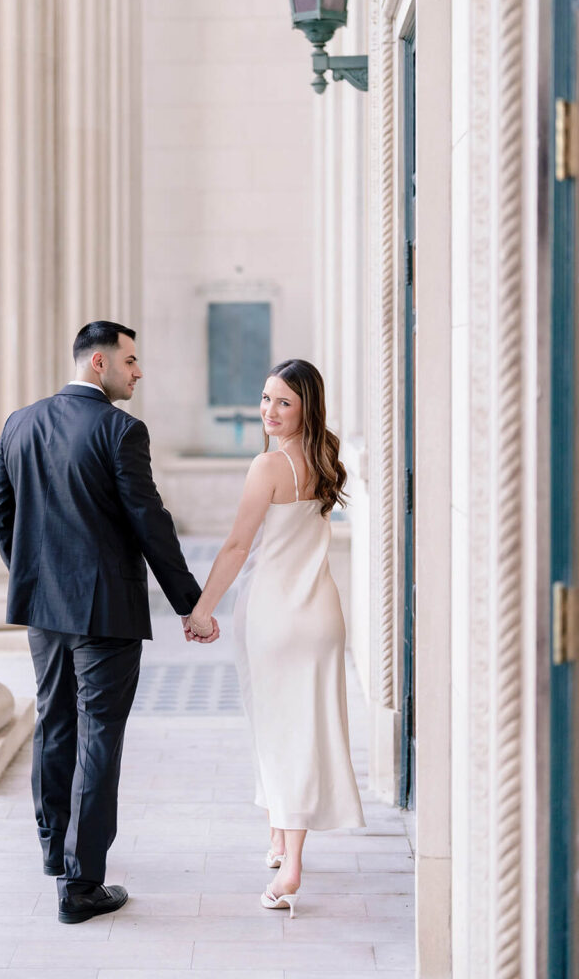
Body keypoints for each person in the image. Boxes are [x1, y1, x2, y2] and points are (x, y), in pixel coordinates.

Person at [0, 320, 219, 925]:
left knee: (54, 723)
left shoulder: (20, 423)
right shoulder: (120, 431)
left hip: (44, 609)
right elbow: (151, 524)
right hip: (104, 614)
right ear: (99, 364)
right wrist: (189, 603)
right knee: (99, 738)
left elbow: (1, 512)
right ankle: (82, 883)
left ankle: (53, 851)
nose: (138, 372)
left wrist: (34, 576)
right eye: (131, 361)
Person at [187, 358, 364, 918]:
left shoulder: (268, 466)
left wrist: (201, 610)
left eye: (284, 402)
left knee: (278, 731)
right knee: (301, 729)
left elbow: (238, 547)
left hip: (274, 617)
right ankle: (279, 841)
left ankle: (290, 869)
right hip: (322, 616)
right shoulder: (326, 455)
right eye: (265, 399)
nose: (270, 411)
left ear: (306, 406)